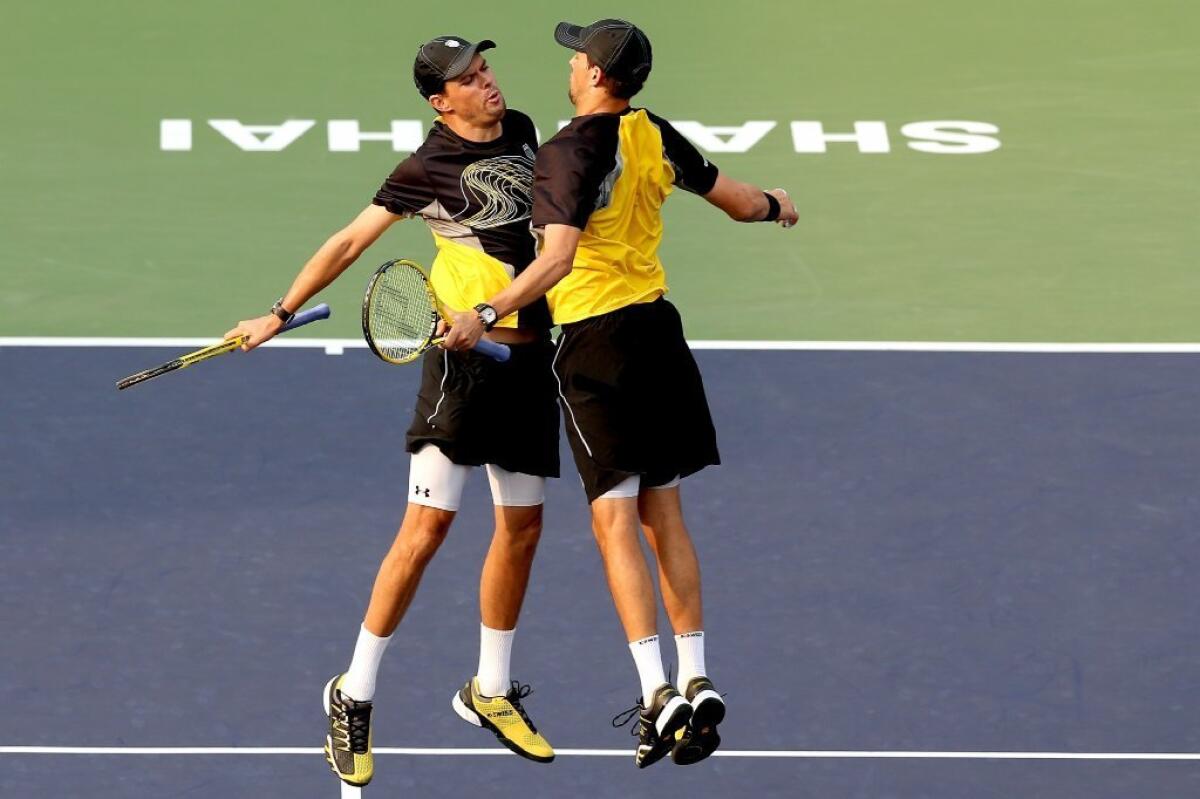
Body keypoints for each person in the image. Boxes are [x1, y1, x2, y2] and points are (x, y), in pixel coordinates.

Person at [444, 18, 798, 769]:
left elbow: (558, 259)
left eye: (578, 58)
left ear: (597, 76)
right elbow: (737, 201)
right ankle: (696, 673)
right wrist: (777, 202)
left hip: (596, 349)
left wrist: (485, 311)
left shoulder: (566, 152)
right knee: (664, 512)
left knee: (613, 521)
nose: (570, 65)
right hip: (661, 337)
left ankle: (657, 692)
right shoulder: (652, 132)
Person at [223, 35, 559, 788]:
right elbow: (350, 239)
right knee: (426, 528)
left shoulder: (526, 129)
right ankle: (354, 691)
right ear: (441, 102)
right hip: (462, 362)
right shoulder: (424, 168)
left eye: (485, 69)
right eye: (468, 80)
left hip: (532, 355)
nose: (487, 83)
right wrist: (280, 311)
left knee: (524, 526)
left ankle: (491, 688)